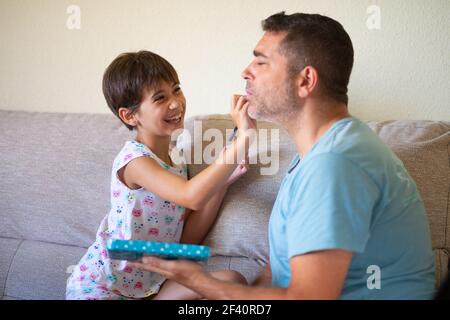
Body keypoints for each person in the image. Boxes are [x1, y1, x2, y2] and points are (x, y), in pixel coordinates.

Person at [131, 12, 436, 299]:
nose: (245, 72)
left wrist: (202, 283)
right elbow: (275, 272)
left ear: (305, 81)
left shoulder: (337, 164)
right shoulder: (311, 158)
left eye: (261, 63)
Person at [65, 51, 253, 300]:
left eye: (176, 90)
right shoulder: (135, 162)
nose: (176, 103)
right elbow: (192, 197)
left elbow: (185, 242)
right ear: (130, 115)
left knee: (233, 281)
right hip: (102, 288)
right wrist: (244, 136)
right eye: (160, 98)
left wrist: (221, 184)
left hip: (149, 289)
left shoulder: (176, 162)